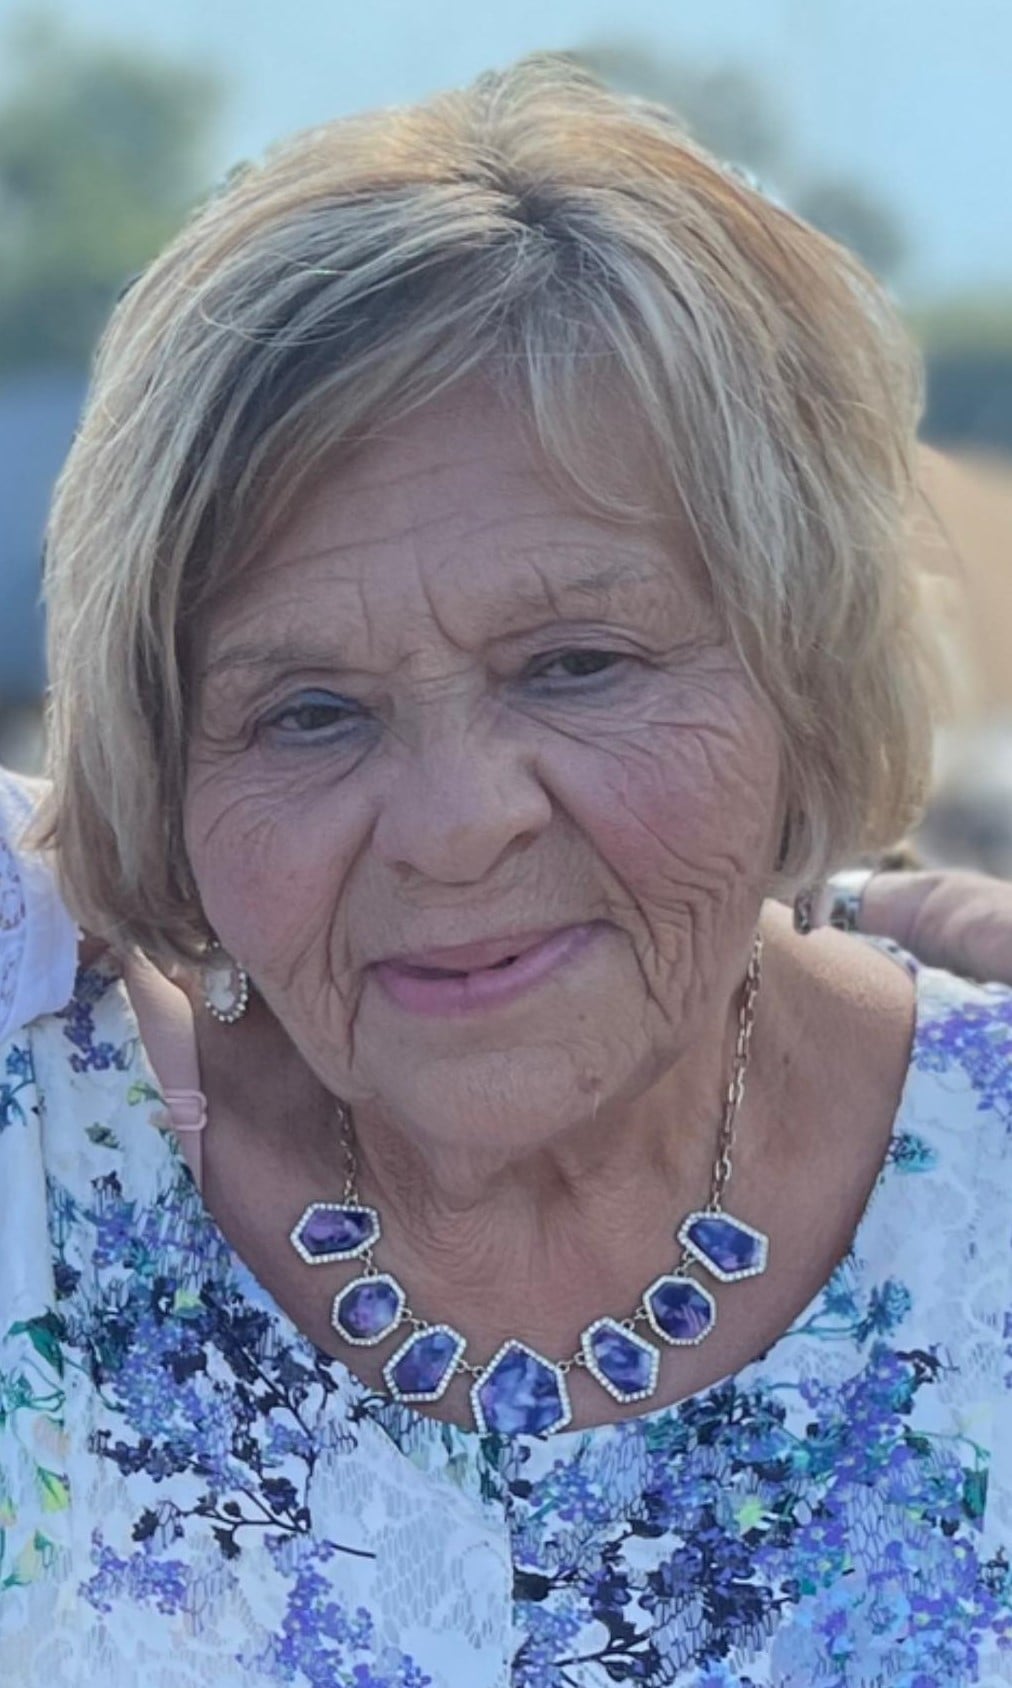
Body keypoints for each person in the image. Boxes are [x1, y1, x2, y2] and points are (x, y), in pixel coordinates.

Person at [1, 57, 1010, 1687]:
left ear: (804, 671)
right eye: (309, 710)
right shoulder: (42, 1160)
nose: (455, 825)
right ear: (167, 771)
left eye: (577, 665)